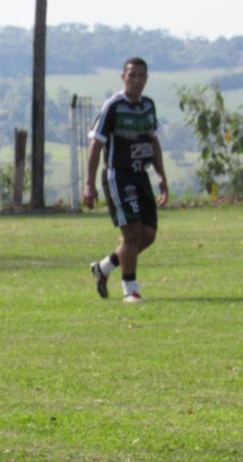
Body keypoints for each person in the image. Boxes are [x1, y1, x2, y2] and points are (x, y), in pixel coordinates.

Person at [83, 57, 168, 303]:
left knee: (148, 235)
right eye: (132, 75)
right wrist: (89, 184)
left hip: (141, 175)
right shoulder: (113, 106)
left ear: (146, 79)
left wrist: (162, 177)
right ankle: (130, 290)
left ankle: (104, 267)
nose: (137, 80)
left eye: (141, 76)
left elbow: (153, 143)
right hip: (118, 176)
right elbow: (95, 145)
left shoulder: (148, 106)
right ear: (123, 77)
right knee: (131, 234)